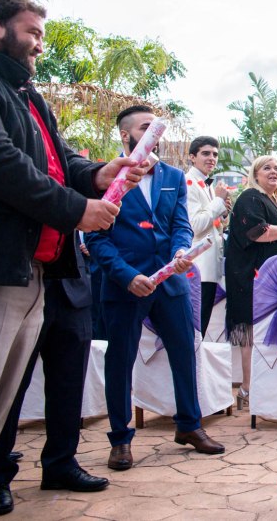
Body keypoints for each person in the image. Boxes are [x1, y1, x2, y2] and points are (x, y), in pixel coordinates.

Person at [0, 0, 144, 521]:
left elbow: (61, 161)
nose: (40, 44)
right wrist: (76, 209)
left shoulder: (28, 96)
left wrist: (99, 175)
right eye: (33, 32)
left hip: (35, 272)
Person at [87, 105, 225, 473]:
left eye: (157, 127)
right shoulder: (106, 178)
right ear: (126, 135)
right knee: (120, 360)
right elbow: (96, 238)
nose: (155, 133)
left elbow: (180, 224)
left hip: (171, 283)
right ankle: (120, 439)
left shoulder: (173, 177)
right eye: (146, 127)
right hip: (125, 285)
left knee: (185, 352)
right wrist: (126, 276)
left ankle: (189, 425)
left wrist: (181, 251)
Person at [0, 237, 108, 518]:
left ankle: (61, 464)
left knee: (69, 384)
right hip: (20, 281)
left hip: (71, 287)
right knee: (10, 388)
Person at [224, 156, 277, 408]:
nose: (273, 171)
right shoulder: (250, 197)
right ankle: (247, 389)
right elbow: (255, 232)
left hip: (272, 280)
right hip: (250, 279)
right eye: (267, 168)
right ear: (255, 174)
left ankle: (267, 387)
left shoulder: (273, 201)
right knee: (251, 334)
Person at [185, 136, 231, 337]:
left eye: (215, 154)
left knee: (202, 328)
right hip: (198, 266)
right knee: (195, 329)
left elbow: (214, 226)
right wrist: (218, 202)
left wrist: (224, 212)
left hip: (212, 266)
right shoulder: (188, 183)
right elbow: (194, 226)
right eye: (205, 153)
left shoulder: (209, 185)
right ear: (192, 157)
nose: (212, 158)